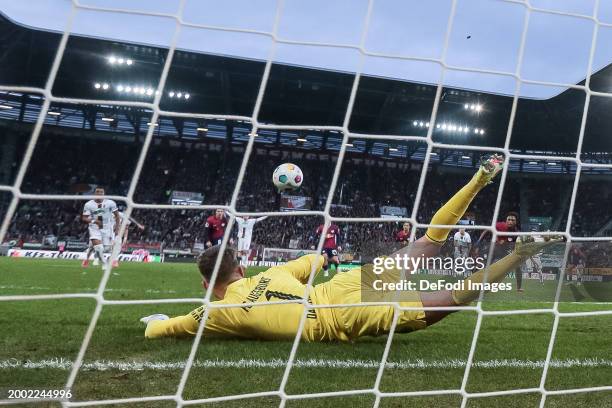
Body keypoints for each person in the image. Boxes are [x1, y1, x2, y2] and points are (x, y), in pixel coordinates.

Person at [140, 155, 559, 342]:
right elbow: (314, 258)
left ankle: (516, 255)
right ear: (242, 268)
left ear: (205, 282)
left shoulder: (214, 313)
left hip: (338, 317)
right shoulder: (272, 274)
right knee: (429, 240)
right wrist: (323, 257)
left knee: (454, 297)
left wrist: (159, 319)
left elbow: (163, 327)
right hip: (342, 286)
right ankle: (478, 181)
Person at [477, 211, 523, 291]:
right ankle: (479, 286)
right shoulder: (500, 225)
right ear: (506, 220)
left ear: (516, 222)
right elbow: (487, 230)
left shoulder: (516, 233)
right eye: (508, 219)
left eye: (512, 220)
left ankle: (519, 288)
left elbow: (514, 245)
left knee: (518, 266)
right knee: (486, 267)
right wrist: (478, 243)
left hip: (505, 251)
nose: (510, 222)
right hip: (494, 250)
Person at [81, 187, 120, 269]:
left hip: (107, 228)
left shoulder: (110, 203)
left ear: (104, 193)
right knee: (98, 247)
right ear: (94, 194)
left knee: (106, 248)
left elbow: (117, 215)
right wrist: (94, 221)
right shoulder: (88, 204)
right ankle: (103, 263)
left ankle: (97, 259)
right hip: (94, 228)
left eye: (101, 192)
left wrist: (117, 228)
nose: (99, 193)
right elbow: (84, 218)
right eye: (97, 192)